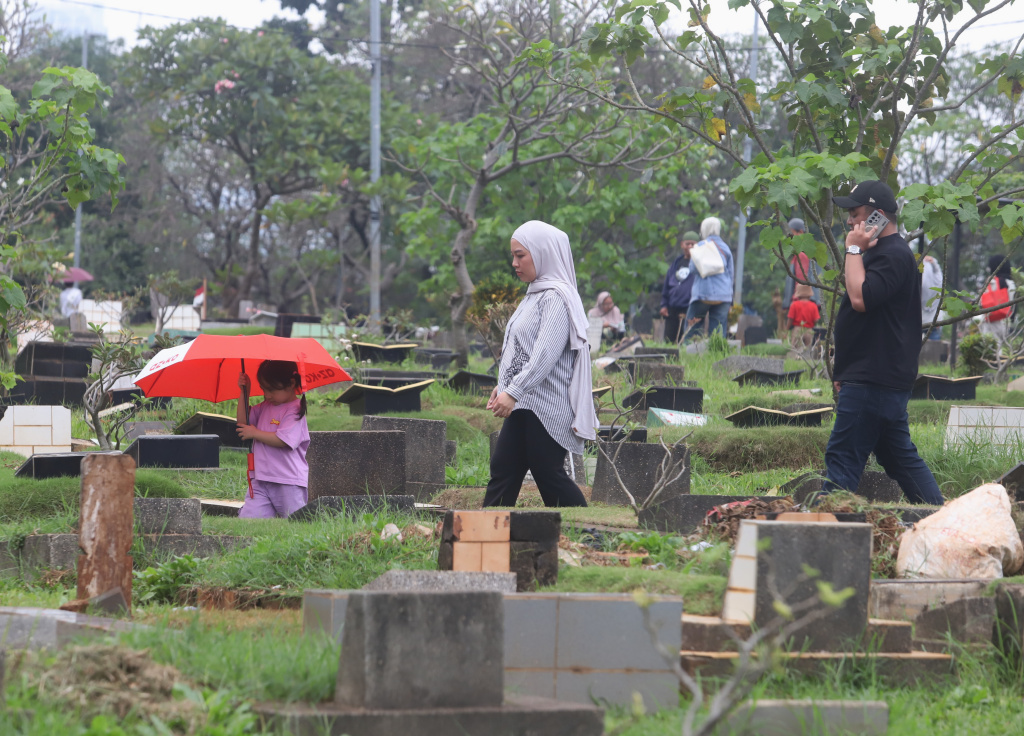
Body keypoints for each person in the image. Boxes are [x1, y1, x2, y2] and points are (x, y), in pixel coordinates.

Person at [822, 179, 943, 506]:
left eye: (855, 213)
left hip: (872, 381)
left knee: (843, 458)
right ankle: (940, 519)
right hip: (872, 378)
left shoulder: (893, 255)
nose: (850, 221)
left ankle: (822, 534)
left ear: (876, 216)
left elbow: (860, 298)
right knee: (899, 458)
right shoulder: (884, 253)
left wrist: (852, 248)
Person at [484, 220, 597, 508]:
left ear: (543, 252)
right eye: (513, 256)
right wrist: (503, 387)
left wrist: (513, 391)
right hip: (524, 401)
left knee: (548, 473)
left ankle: (588, 535)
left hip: (546, 406)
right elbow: (519, 349)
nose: (514, 263)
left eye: (520, 255)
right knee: (503, 470)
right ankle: (484, 537)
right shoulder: (534, 294)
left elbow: (543, 356)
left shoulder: (556, 298)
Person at [236, 360, 311, 518]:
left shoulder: (295, 410)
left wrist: (254, 433)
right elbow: (243, 422)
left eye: (271, 390)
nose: (267, 395)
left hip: (287, 480)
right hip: (260, 479)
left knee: (296, 524)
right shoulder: (265, 406)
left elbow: (283, 440)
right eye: (264, 389)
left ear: (291, 384)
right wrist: (244, 393)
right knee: (248, 523)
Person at [683, 217, 734, 342]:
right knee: (718, 331)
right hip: (723, 296)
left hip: (703, 294)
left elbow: (693, 269)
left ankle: (688, 353)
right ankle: (716, 356)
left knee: (692, 327)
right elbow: (731, 274)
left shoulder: (700, 246)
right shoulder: (726, 248)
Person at [659, 231, 697, 343]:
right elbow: (667, 285)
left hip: (689, 307)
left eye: (693, 244)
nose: (690, 247)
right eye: (687, 244)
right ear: (682, 245)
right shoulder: (676, 263)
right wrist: (664, 305)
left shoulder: (698, 264)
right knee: (669, 339)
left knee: (686, 339)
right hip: (672, 307)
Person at [781, 218, 821, 309]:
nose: (788, 238)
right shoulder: (809, 251)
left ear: (800, 233)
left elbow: (801, 281)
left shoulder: (802, 254)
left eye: (791, 234)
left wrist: (795, 302)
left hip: (802, 303)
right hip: (809, 302)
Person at [977, 255, 1016, 342]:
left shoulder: (992, 281)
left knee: (992, 350)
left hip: (991, 322)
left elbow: (981, 301)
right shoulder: (1010, 283)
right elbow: (1013, 304)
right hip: (1006, 322)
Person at [786, 283, 820, 349]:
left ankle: (795, 359)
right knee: (807, 350)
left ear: (798, 294)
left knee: (795, 350)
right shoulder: (813, 305)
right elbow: (816, 320)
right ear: (809, 294)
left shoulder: (794, 305)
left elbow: (790, 319)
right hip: (809, 330)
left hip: (797, 330)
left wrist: (786, 329)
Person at [921, 255, 944, 340]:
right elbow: (937, 269)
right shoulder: (939, 281)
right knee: (935, 350)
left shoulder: (921, 284)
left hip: (920, 322)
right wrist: (933, 262)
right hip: (934, 322)